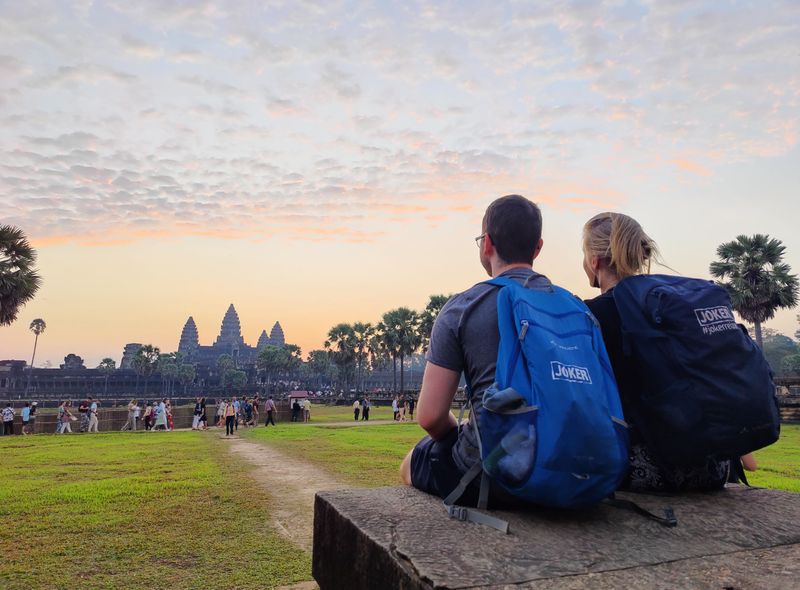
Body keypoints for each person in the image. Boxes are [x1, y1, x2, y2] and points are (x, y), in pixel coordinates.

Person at [400, 194, 549, 507]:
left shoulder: (464, 307)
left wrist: (464, 430)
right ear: (538, 248)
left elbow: (430, 417)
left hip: (498, 472)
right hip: (564, 458)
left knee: (412, 462)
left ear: (487, 244)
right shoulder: (572, 306)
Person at [581, 211, 729, 492]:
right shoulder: (674, 304)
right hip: (713, 465)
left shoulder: (591, 315)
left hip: (645, 467)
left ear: (594, 260)